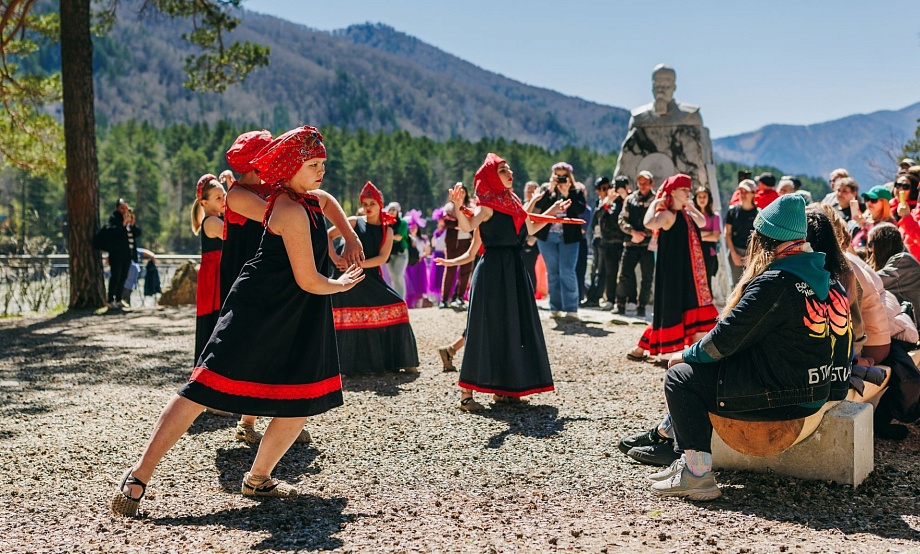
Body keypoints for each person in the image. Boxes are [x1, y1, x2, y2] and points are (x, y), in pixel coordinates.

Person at [111, 126, 365, 517]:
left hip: (297, 309)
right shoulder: (285, 207)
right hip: (260, 306)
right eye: (313, 164)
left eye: (322, 164)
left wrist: (350, 235)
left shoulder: (307, 199)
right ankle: (139, 475)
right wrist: (342, 284)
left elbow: (327, 201)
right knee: (202, 388)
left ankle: (258, 478)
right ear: (288, 167)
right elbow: (308, 279)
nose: (321, 171)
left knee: (301, 398)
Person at [621, 194, 835, 500]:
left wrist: (685, 354)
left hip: (785, 397)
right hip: (812, 389)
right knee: (703, 372)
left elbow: (724, 340)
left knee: (680, 377)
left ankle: (697, 473)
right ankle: (685, 458)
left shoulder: (774, 282)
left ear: (766, 240)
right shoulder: (816, 277)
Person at [449, 153, 573, 410]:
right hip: (493, 270)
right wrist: (458, 206)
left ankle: (504, 389)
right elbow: (469, 226)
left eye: (509, 169)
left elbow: (531, 228)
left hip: (514, 268)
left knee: (512, 326)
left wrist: (552, 212)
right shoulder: (486, 205)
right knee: (484, 326)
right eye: (503, 170)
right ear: (491, 177)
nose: (510, 173)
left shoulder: (513, 200)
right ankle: (465, 395)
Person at [328, 182, 420, 375]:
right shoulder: (354, 221)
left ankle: (402, 359)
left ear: (380, 205)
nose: (368, 207)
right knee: (346, 315)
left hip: (370, 277)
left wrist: (359, 265)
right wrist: (335, 259)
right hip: (347, 278)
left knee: (398, 305)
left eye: (372, 203)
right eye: (365, 203)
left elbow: (382, 258)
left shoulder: (388, 230)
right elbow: (327, 235)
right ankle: (343, 365)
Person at [627, 175, 718, 361]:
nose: (688, 193)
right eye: (683, 189)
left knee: (684, 307)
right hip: (674, 272)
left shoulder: (686, 214)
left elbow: (702, 222)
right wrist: (655, 203)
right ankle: (642, 348)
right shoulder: (668, 215)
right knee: (670, 308)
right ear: (673, 191)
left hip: (689, 271)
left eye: (688, 189)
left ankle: (642, 349)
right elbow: (648, 223)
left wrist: (690, 206)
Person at [532, 162, 587, 320]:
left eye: (564, 176)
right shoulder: (546, 190)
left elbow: (581, 210)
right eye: (558, 176)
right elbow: (539, 207)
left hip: (569, 237)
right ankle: (555, 307)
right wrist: (550, 189)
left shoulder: (576, 191)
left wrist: (567, 194)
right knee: (553, 272)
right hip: (547, 237)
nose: (561, 179)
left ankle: (571, 309)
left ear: (570, 177)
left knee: (567, 271)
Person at [190, 174, 226, 363]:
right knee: (214, 320)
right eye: (218, 197)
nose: (224, 200)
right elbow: (233, 234)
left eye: (224, 195)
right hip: (214, 277)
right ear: (204, 202)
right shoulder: (211, 222)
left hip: (216, 274)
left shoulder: (217, 219)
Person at [615, 170, 655, 316]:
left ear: (651, 184)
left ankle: (642, 306)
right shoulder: (630, 199)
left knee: (647, 278)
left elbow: (657, 220)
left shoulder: (656, 200)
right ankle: (620, 304)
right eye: (640, 182)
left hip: (648, 245)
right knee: (624, 275)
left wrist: (644, 234)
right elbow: (622, 219)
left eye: (645, 182)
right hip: (630, 243)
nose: (642, 185)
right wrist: (632, 232)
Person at [592, 176, 629, 310]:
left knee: (625, 274)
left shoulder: (628, 200)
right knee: (610, 273)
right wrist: (607, 202)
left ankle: (623, 301)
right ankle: (610, 299)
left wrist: (625, 198)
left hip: (624, 241)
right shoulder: (607, 202)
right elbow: (597, 218)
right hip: (608, 241)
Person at [441, 186, 474, 309]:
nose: (461, 194)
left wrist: (462, 223)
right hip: (452, 243)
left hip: (467, 241)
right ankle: (444, 299)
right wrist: (460, 223)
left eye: (463, 191)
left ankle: (460, 297)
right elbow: (446, 221)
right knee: (450, 270)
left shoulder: (471, 206)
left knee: (465, 271)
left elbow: (474, 220)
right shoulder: (449, 207)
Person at [723, 180, 758, 285]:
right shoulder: (732, 212)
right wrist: (734, 254)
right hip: (735, 251)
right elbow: (727, 233)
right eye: (741, 192)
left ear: (753, 193)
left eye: (746, 192)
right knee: (736, 284)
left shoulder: (758, 213)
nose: (743, 195)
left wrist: (753, 255)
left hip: (752, 253)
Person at [693, 185, 721, 290]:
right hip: (694, 250)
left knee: (707, 281)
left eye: (704, 196)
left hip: (709, 252)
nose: (702, 199)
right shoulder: (692, 216)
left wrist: (698, 236)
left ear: (709, 198)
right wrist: (708, 233)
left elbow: (715, 237)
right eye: (699, 197)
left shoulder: (715, 216)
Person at [851, 185, 894, 252]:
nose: (868, 202)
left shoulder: (889, 224)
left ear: (884, 203)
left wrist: (864, 225)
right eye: (867, 199)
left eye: (873, 200)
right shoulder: (865, 218)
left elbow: (878, 245)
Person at [403, 209, 430, 308]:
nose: (413, 228)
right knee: (410, 285)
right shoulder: (407, 239)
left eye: (415, 226)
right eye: (411, 226)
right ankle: (410, 305)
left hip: (420, 264)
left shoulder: (423, 239)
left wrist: (421, 256)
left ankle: (419, 305)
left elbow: (427, 252)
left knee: (420, 284)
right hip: (410, 265)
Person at [384, 201, 410, 299]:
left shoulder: (402, 223)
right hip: (390, 252)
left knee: (398, 275)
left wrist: (387, 237)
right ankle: (396, 298)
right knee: (393, 276)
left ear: (398, 211)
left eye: (394, 209)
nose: (392, 212)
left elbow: (399, 237)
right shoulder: (386, 224)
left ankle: (401, 298)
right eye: (390, 209)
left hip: (401, 253)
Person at [520, 181, 541, 291]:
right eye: (527, 191)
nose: (529, 194)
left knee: (529, 268)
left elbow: (540, 223)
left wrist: (532, 239)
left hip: (531, 241)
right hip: (521, 241)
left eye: (531, 192)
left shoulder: (538, 207)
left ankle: (532, 292)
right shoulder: (524, 204)